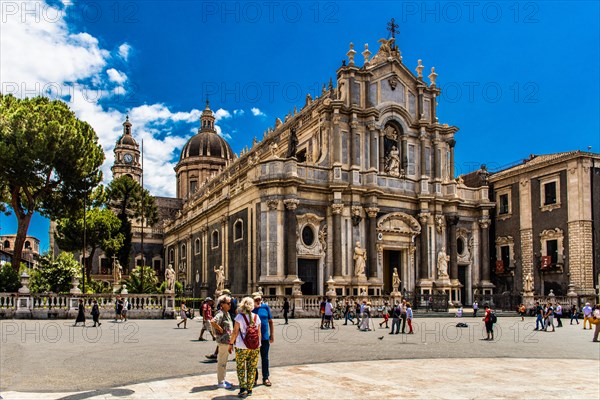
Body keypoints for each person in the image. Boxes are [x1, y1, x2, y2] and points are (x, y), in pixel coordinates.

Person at [229, 296, 261, 398]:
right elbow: (259, 333)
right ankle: (250, 389)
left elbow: (235, 332)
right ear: (252, 306)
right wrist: (257, 344)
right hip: (255, 347)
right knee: (252, 367)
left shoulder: (239, 317)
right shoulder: (257, 317)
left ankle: (242, 388)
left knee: (241, 367)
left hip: (241, 346)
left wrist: (231, 344)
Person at [211, 294, 234, 389]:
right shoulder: (220, 313)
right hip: (223, 341)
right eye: (228, 303)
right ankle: (220, 382)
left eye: (230, 303)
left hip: (227, 341)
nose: (230, 305)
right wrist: (219, 328)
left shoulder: (226, 313)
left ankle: (222, 379)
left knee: (224, 361)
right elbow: (212, 321)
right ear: (222, 304)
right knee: (222, 362)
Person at [253, 292, 274, 387]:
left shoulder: (265, 307)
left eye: (259, 299)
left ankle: (265, 377)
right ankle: (254, 378)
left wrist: (272, 335)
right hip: (253, 338)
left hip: (265, 337)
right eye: (256, 300)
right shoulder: (250, 309)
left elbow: (270, 321)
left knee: (265, 358)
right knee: (254, 359)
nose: (258, 301)